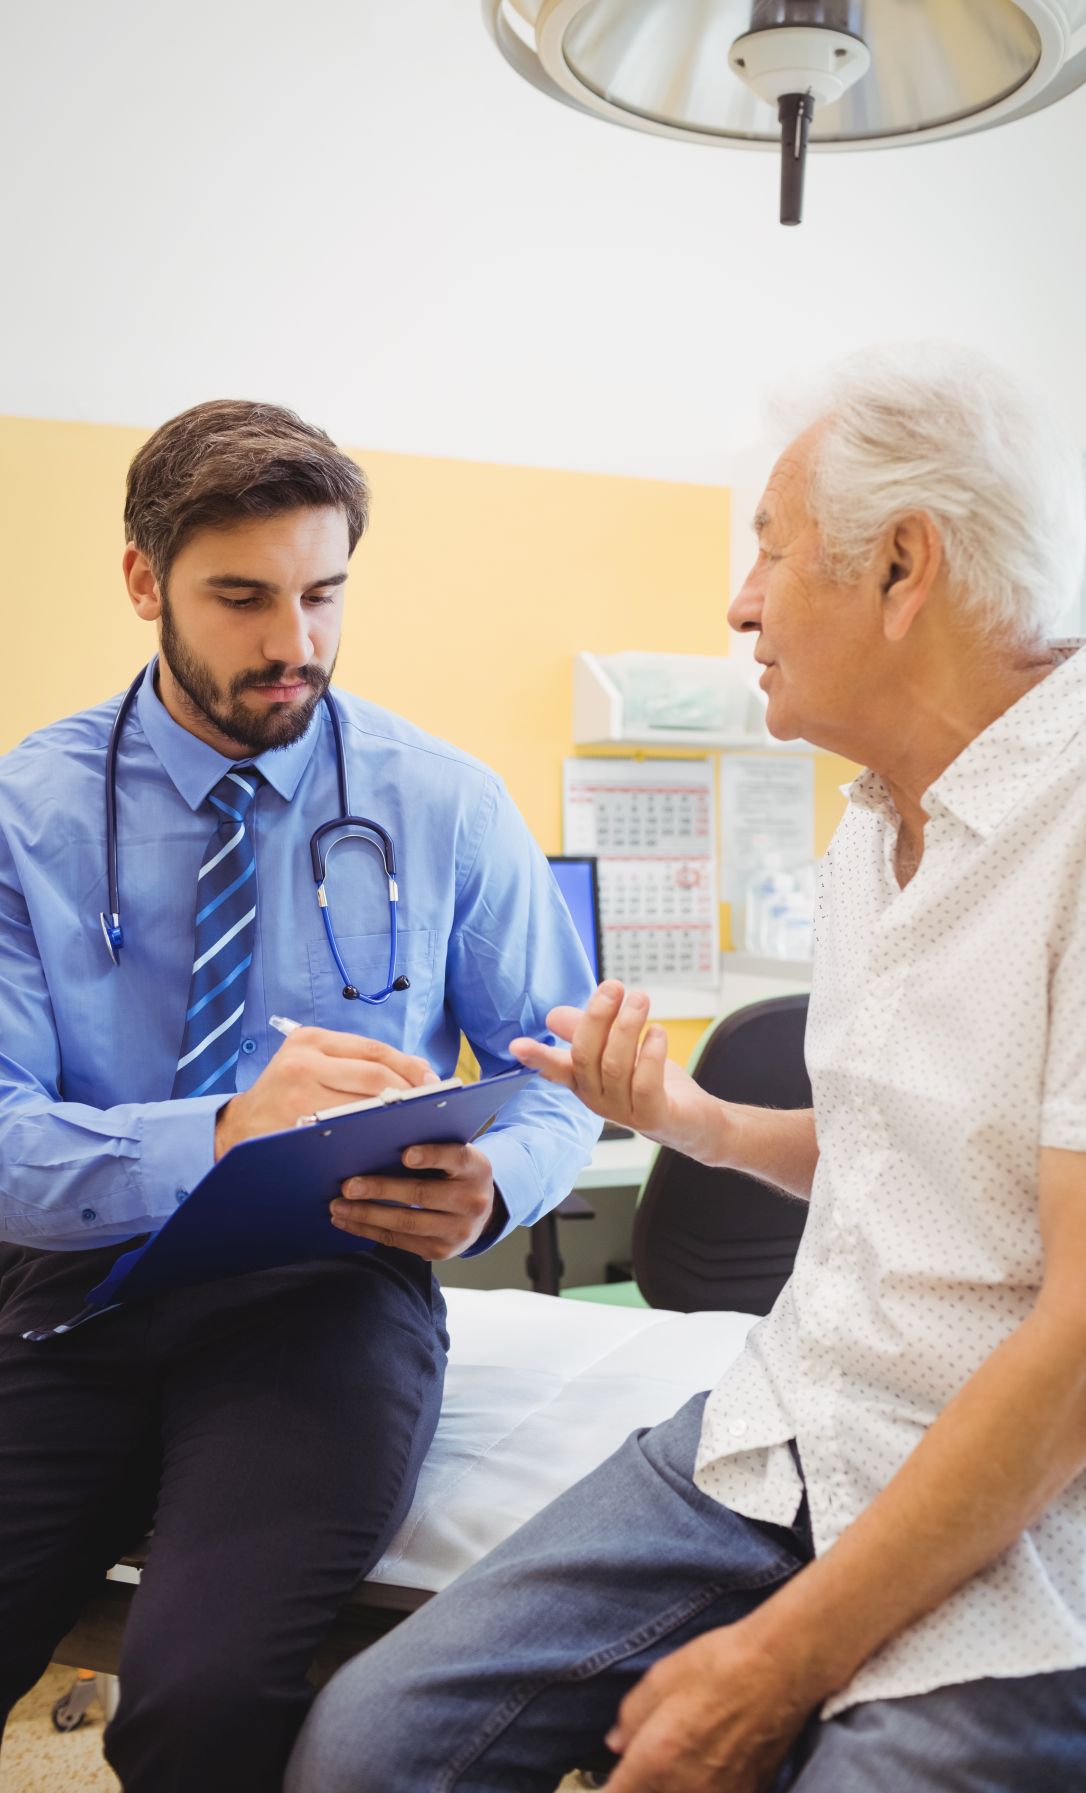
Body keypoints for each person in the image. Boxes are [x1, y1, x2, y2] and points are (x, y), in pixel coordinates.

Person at [285, 343, 1086, 1793]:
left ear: (902, 565)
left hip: (1025, 1508)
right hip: (788, 1415)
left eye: (768, 553)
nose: (737, 601)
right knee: (362, 1747)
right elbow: (907, 1162)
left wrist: (781, 1658)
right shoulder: (869, 819)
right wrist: (679, 1113)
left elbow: (1077, 1344)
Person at [0, 399, 599, 1793]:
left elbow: (555, 1081)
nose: (294, 643)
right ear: (145, 582)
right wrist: (215, 1132)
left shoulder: (443, 802)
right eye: (243, 597)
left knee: (195, 1700)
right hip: (71, 1295)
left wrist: (495, 1183)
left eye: (324, 594)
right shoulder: (22, 817)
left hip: (320, 1299)